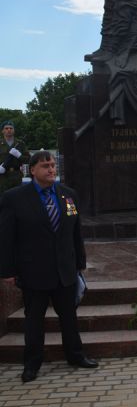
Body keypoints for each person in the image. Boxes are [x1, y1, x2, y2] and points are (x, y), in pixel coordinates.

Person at [0, 151, 98, 383]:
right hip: (33, 271)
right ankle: (32, 364)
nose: (51, 169)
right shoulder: (14, 198)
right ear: (32, 170)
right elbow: (6, 238)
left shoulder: (68, 195)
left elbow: (75, 232)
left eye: (53, 165)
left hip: (65, 270)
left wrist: (80, 262)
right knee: (34, 320)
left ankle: (76, 355)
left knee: (69, 317)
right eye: (45, 166)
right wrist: (7, 271)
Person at [0, 120, 28, 195]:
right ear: (2, 131)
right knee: (3, 198)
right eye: (6, 128)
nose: (9, 130)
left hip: (16, 176)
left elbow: (28, 160)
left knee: (17, 197)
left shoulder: (20, 144)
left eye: (11, 128)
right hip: (3, 177)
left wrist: (19, 156)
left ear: (14, 130)